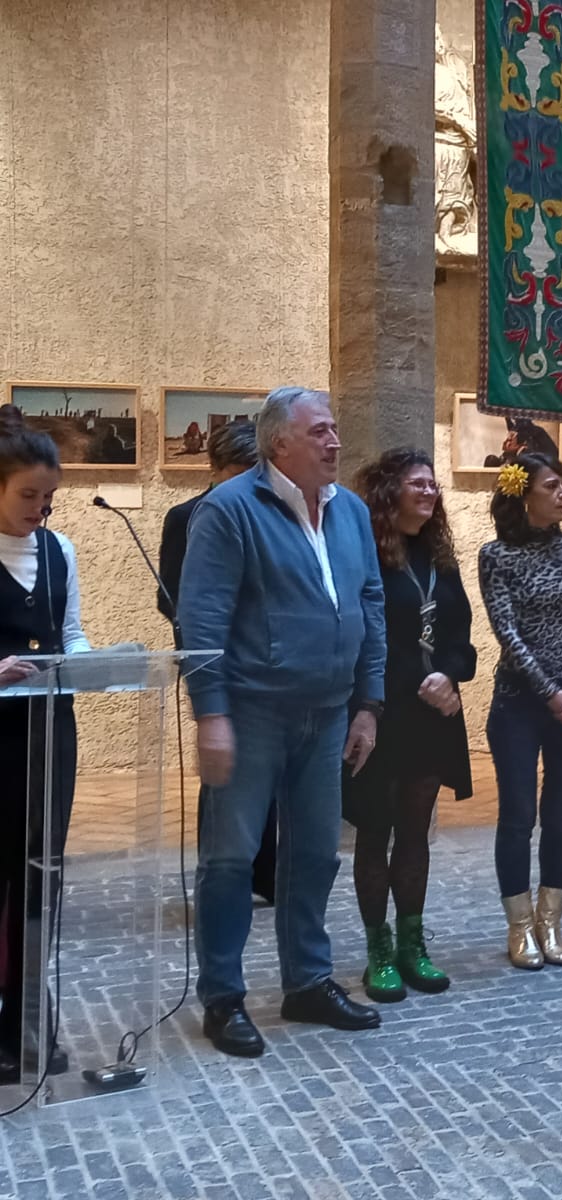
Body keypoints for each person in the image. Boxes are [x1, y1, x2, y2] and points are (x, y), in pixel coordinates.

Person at [179, 387, 388, 1058]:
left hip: (328, 715)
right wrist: (211, 715)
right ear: (280, 444)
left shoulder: (350, 511)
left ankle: (306, 982)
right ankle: (223, 996)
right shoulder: (229, 511)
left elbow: (370, 605)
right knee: (231, 858)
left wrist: (368, 703)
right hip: (250, 711)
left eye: (335, 430)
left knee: (316, 855)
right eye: (321, 431)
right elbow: (201, 621)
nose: (335, 442)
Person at [345, 450, 476, 1001]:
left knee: (417, 829)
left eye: (432, 484)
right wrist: (365, 706)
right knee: (377, 830)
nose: (429, 492)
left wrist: (451, 675)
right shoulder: (365, 554)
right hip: (381, 709)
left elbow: (461, 635)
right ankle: (378, 950)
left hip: (432, 712)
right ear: (388, 491)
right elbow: (357, 636)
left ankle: (412, 945)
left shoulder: (440, 557)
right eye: (417, 484)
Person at [0, 405, 90, 1085]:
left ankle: (31, 1019)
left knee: (40, 874)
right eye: (27, 495)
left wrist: (94, 661)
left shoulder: (60, 552)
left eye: (48, 497)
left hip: (50, 732)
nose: (41, 509)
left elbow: (72, 633)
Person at [481, 452, 562, 970]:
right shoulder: (495, 556)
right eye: (554, 486)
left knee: (561, 816)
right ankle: (520, 925)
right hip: (519, 702)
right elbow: (506, 632)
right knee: (519, 815)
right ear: (524, 495)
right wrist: (550, 691)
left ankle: (552, 922)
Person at [156, 421, 276, 904]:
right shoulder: (184, 517)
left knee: (271, 773)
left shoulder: (272, 511)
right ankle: (221, 879)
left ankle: (267, 876)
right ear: (216, 468)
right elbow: (171, 595)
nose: (250, 480)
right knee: (223, 774)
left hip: (265, 660)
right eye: (239, 471)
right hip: (214, 660)